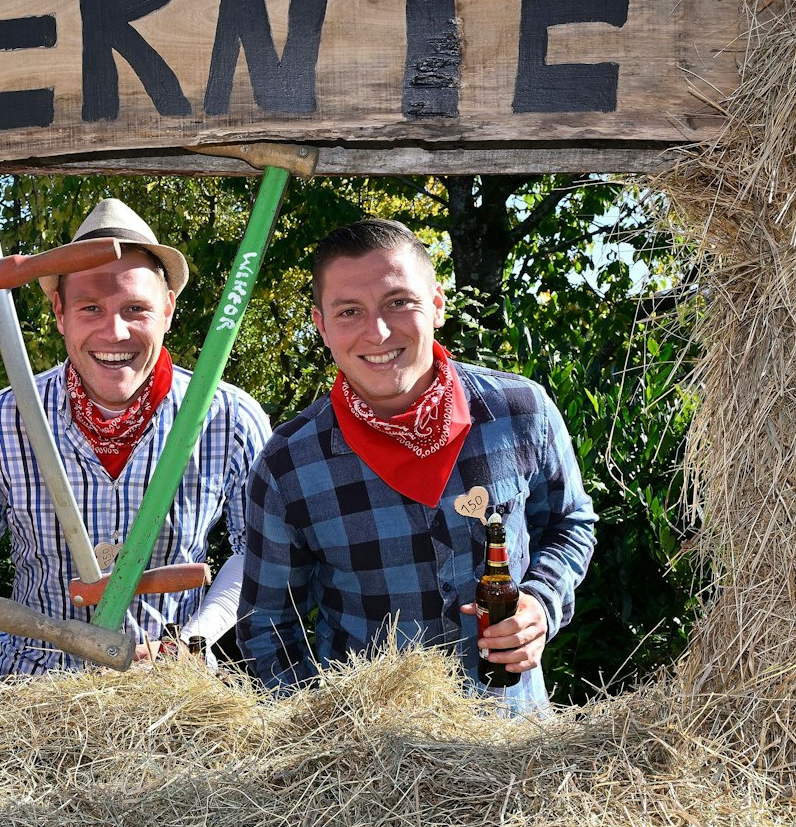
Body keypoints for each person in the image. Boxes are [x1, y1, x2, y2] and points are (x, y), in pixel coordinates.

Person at [238, 219, 597, 712]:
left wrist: (541, 601)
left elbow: (570, 523)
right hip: (368, 750)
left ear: (437, 304)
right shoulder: (288, 465)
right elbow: (268, 628)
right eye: (349, 311)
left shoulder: (520, 412)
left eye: (398, 302)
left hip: (516, 738)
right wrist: (314, 736)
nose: (378, 331)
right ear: (322, 327)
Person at [0, 199, 273, 688]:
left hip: (172, 697)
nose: (114, 332)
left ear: (168, 310)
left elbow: (258, 554)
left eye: (136, 309)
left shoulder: (229, 418)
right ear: (59, 312)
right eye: (91, 307)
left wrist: (193, 641)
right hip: (34, 699)